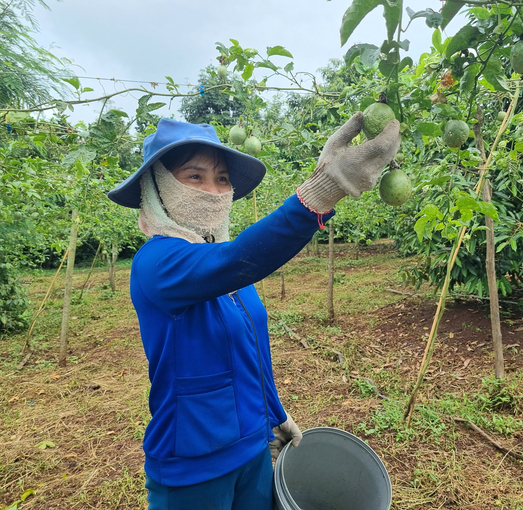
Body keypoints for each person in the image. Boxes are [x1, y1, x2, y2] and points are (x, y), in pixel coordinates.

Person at [107, 113, 400, 509]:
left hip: (254, 450)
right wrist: (326, 188)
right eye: (194, 176)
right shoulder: (157, 264)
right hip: (193, 466)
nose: (213, 190)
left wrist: (272, 414)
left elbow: (250, 350)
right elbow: (237, 259)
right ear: (157, 186)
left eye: (222, 178)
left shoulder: (228, 272)